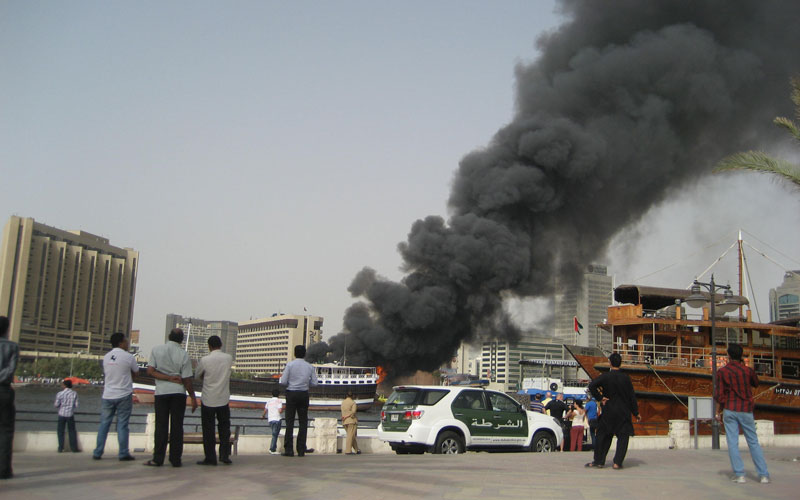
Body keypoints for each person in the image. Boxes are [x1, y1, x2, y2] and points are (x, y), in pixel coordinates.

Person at [715, 343, 770, 484]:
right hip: (746, 409)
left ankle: (740, 474)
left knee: (733, 442)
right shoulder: (748, 371)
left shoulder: (722, 372)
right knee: (753, 442)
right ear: (741, 355)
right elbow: (756, 383)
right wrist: (745, 366)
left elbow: (719, 395)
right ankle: (763, 475)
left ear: (728, 356)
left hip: (730, 408)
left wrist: (717, 412)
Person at [144, 328, 196, 467]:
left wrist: (166, 378)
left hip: (161, 392)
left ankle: (157, 458)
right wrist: (193, 397)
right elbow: (187, 379)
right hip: (178, 393)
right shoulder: (184, 354)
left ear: (168, 337)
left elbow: (150, 371)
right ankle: (175, 459)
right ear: (181, 340)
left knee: (161, 426)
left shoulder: (156, 350)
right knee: (177, 427)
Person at [586, 353, 640, 469]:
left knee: (603, 435)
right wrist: (636, 412)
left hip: (609, 410)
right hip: (623, 412)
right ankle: (617, 462)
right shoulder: (626, 378)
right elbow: (631, 396)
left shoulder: (606, 376)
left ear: (610, 362)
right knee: (623, 437)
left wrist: (600, 398)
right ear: (620, 363)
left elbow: (592, 386)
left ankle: (599, 461)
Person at [93, 332, 139, 461]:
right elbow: (136, 373)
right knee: (122, 424)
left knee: (104, 424)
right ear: (121, 343)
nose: (128, 343)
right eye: (126, 341)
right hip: (124, 394)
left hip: (107, 395)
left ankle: (98, 452)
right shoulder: (128, 357)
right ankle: (123, 453)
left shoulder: (106, 357)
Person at [195, 335, 233, 466]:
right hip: (223, 398)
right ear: (221, 345)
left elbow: (197, 375)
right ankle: (224, 455)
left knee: (208, 430)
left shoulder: (205, 360)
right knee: (224, 428)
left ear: (209, 346)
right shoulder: (228, 358)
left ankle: (210, 457)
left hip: (208, 398)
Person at [279, 344, 318, 457]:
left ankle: (289, 450)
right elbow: (315, 383)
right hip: (304, 394)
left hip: (291, 393)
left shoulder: (290, 365)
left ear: (295, 353)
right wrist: (306, 383)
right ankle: (301, 449)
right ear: (305, 354)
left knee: (289, 422)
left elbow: (283, 382)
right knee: (303, 422)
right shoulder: (310, 367)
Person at [0, 316, 19, 479]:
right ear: (7, 329)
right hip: (4, 390)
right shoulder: (12, 346)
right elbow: (10, 369)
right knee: (6, 430)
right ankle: (4, 469)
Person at [55, 379, 79, 452]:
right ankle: (74, 448)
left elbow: (56, 405)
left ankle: (60, 448)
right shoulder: (74, 393)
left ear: (64, 385)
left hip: (61, 414)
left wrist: (61, 406)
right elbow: (76, 405)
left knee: (60, 431)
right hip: (70, 414)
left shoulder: (60, 394)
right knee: (72, 431)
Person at [262, 389, 283, 455]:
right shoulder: (279, 401)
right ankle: (272, 449)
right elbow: (280, 411)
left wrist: (263, 416)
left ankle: (273, 448)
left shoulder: (269, 401)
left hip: (270, 419)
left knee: (274, 434)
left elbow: (265, 410)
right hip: (277, 419)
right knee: (275, 435)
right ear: (278, 395)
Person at [341, 390, 360, 455]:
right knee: (350, 436)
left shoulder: (343, 402)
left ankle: (357, 449)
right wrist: (349, 416)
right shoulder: (353, 403)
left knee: (351, 436)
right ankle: (348, 451)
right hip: (351, 421)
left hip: (344, 421)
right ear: (352, 396)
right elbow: (353, 412)